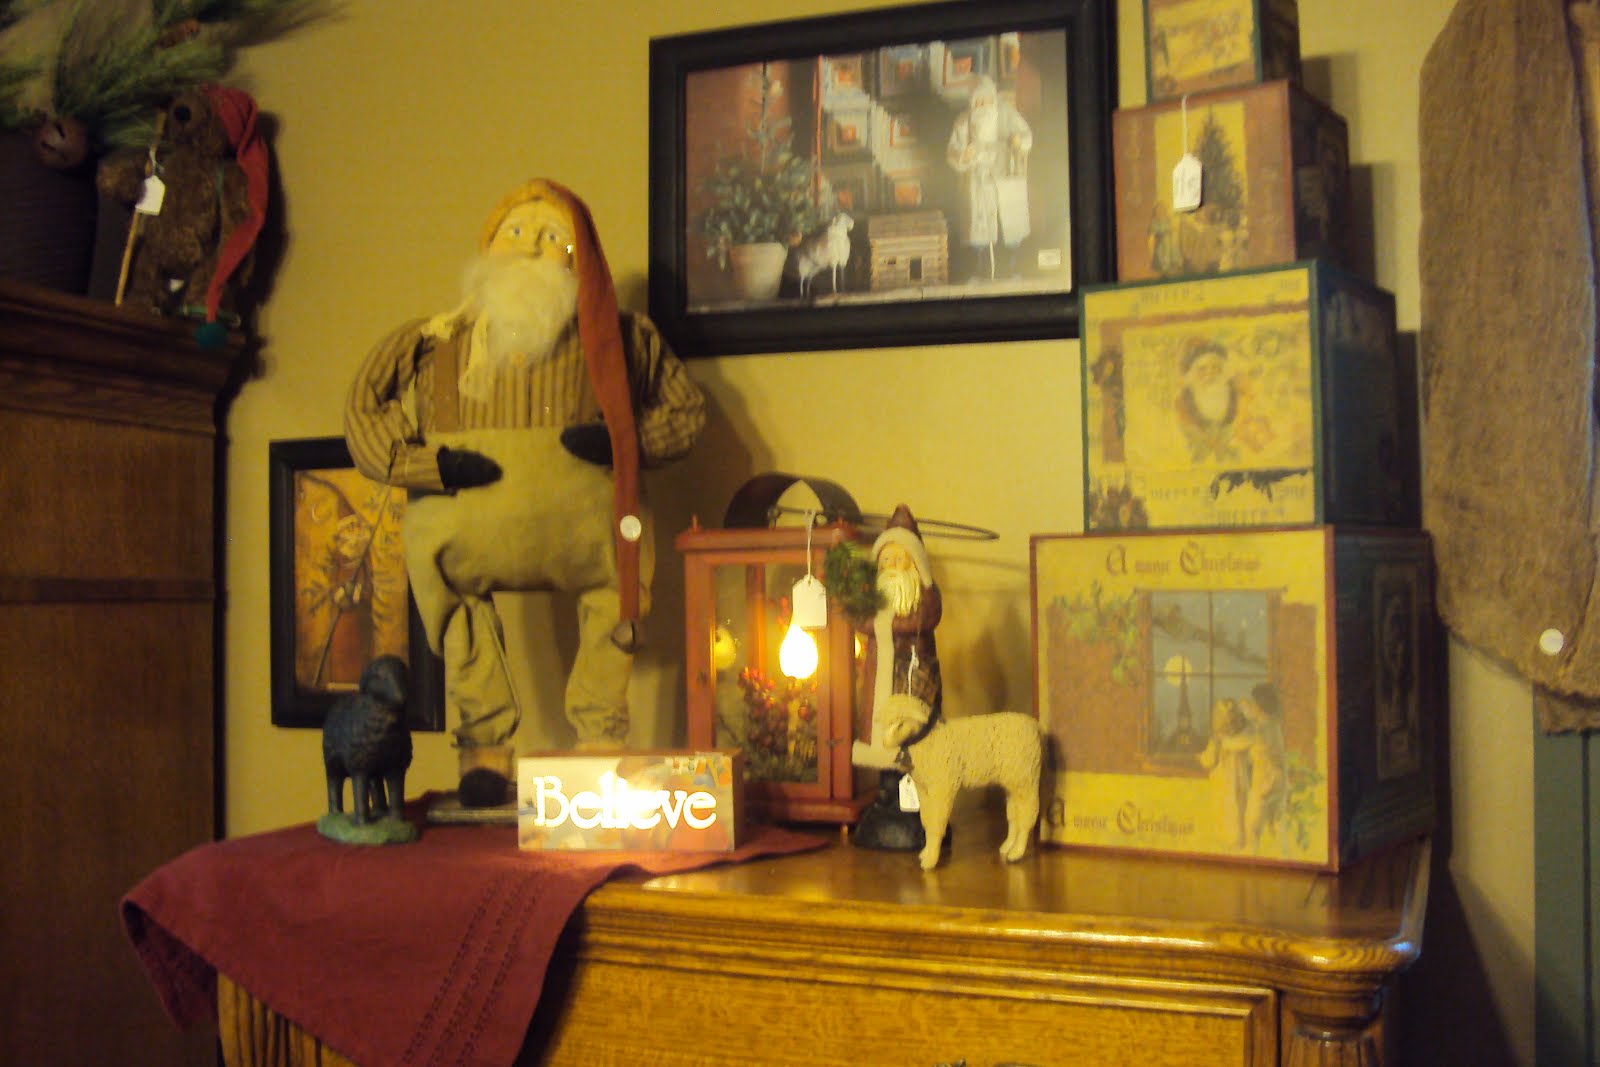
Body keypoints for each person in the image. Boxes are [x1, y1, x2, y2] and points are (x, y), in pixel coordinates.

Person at [344, 179, 705, 794]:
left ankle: (599, 741)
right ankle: (483, 749)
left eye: (553, 235)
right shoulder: (432, 340)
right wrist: (432, 467)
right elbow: (363, 409)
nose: (532, 246)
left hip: (591, 527)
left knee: (617, 593)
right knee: (452, 604)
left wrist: (625, 444)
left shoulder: (624, 339)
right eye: (516, 232)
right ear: (489, 246)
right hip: (462, 526)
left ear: (582, 255)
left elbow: (686, 411)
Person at [851, 505, 942, 850]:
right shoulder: (875, 603)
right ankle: (886, 792)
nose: (891, 567)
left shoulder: (925, 598)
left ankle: (915, 801)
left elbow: (924, 618)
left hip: (911, 680)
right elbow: (860, 619)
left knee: (911, 736)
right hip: (880, 680)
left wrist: (885, 624)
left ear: (915, 564)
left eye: (898, 560)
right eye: (885, 561)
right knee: (880, 736)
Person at [946, 76, 1033, 281]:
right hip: (978, 179)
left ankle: (1012, 268)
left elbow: (1026, 135)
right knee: (980, 228)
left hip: (1006, 175)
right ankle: (980, 269)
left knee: (1009, 225)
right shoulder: (963, 121)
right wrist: (964, 155)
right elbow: (952, 151)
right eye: (978, 102)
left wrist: (1019, 141)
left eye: (987, 100)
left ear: (993, 99)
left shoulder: (1007, 114)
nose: (983, 106)